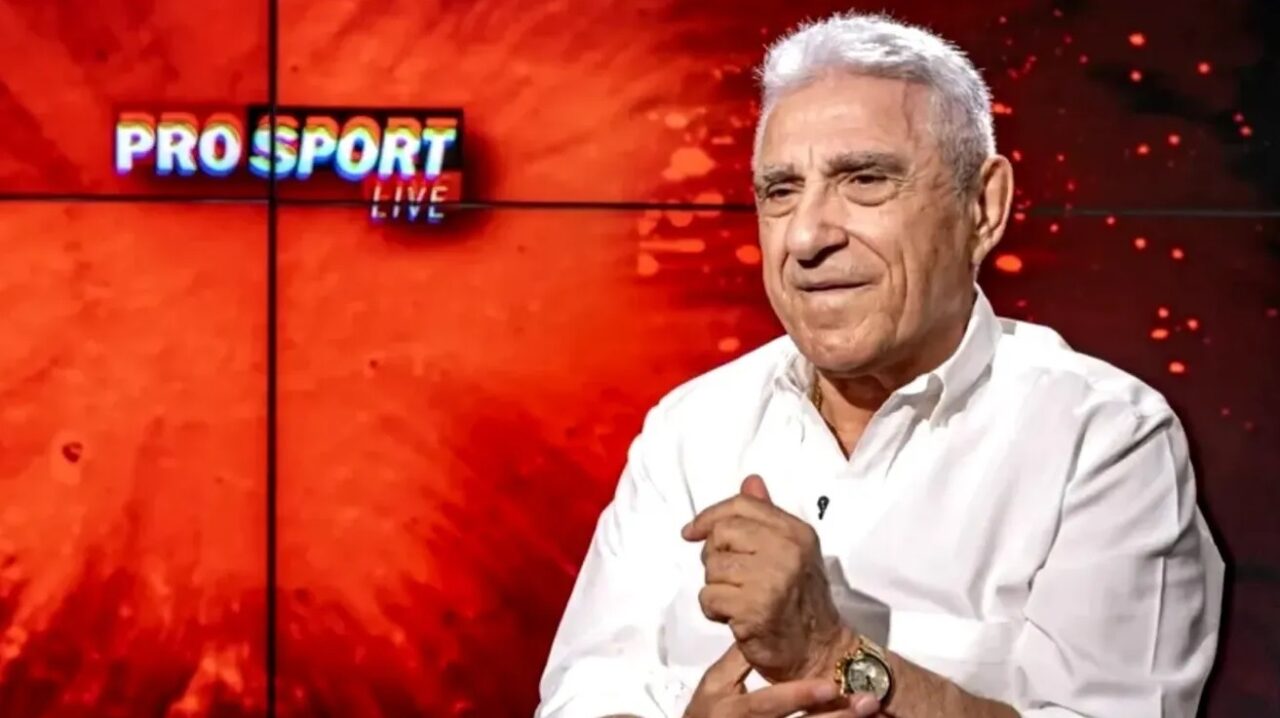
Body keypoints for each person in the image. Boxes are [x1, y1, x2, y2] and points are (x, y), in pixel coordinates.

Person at [535, 11, 1223, 718]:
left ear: (983, 207)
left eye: (864, 179)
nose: (806, 237)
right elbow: (582, 697)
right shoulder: (690, 429)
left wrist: (829, 656)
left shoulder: (1103, 440)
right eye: (780, 192)